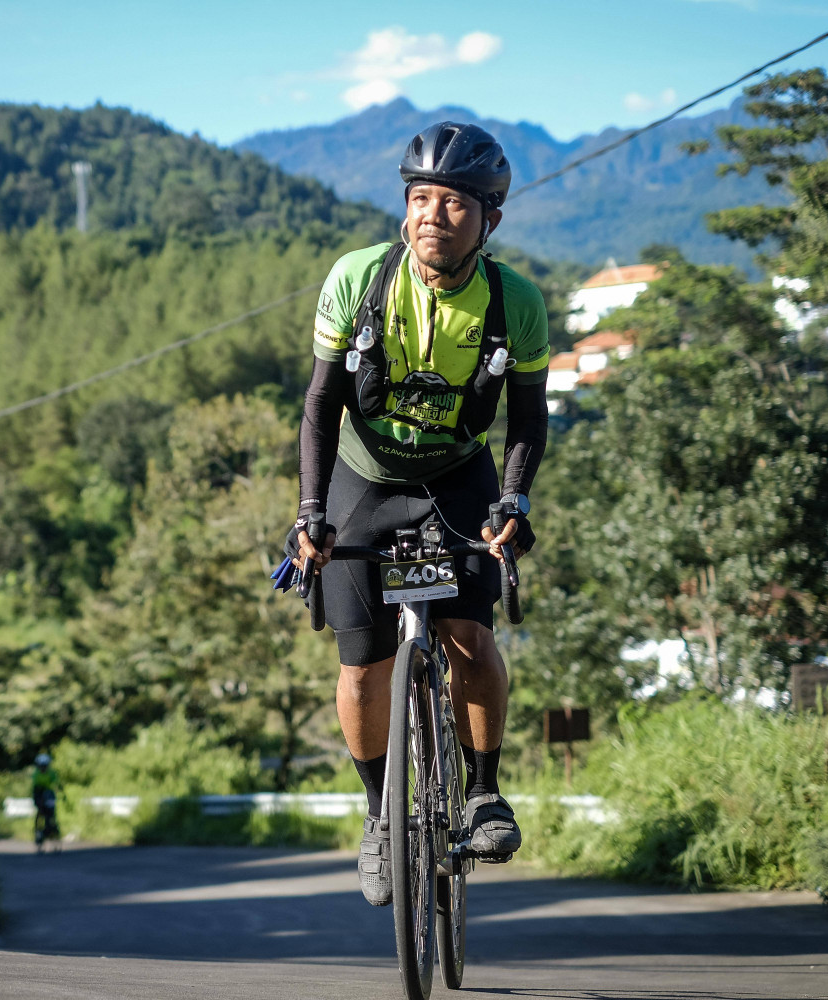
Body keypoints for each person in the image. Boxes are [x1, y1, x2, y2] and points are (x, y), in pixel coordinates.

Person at [287, 121, 549, 906]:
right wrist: (310, 513)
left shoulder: (515, 301)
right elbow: (319, 405)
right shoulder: (358, 278)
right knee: (360, 663)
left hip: (457, 478)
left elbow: (528, 419)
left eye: (455, 202)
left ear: (490, 217)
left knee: (470, 634)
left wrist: (512, 500)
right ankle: (380, 819)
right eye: (421, 198)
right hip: (363, 479)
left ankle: (483, 792)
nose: (433, 215)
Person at [31, 753, 61, 847]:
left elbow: (56, 784)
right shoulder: (36, 774)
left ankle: (52, 828)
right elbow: (36, 787)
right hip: (38, 793)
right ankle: (37, 831)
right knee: (40, 811)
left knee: (51, 812)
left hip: (49, 794)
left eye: (45, 766)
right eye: (42, 766)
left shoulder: (51, 773)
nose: (43, 768)